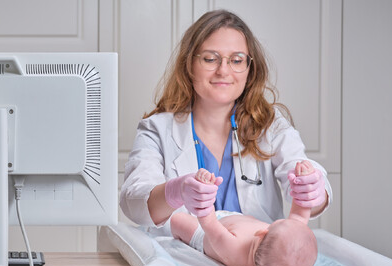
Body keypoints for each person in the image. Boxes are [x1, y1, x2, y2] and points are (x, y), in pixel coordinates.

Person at [120, 9, 331, 232]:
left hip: (255, 260)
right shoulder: (157, 129)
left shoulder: (270, 125)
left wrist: (312, 190)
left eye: (237, 60)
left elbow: (302, 177)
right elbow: (134, 204)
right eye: (210, 59)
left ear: (249, 69)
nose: (223, 70)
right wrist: (176, 191)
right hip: (182, 259)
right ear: (189, 65)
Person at [170, 161, 317, 266]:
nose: (283, 221)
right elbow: (299, 215)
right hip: (236, 219)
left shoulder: (234, 250)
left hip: (209, 233)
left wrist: (205, 192)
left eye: (279, 223)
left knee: (178, 220)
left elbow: (209, 224)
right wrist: (303, 182)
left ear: (262, 233)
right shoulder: (282, 238)